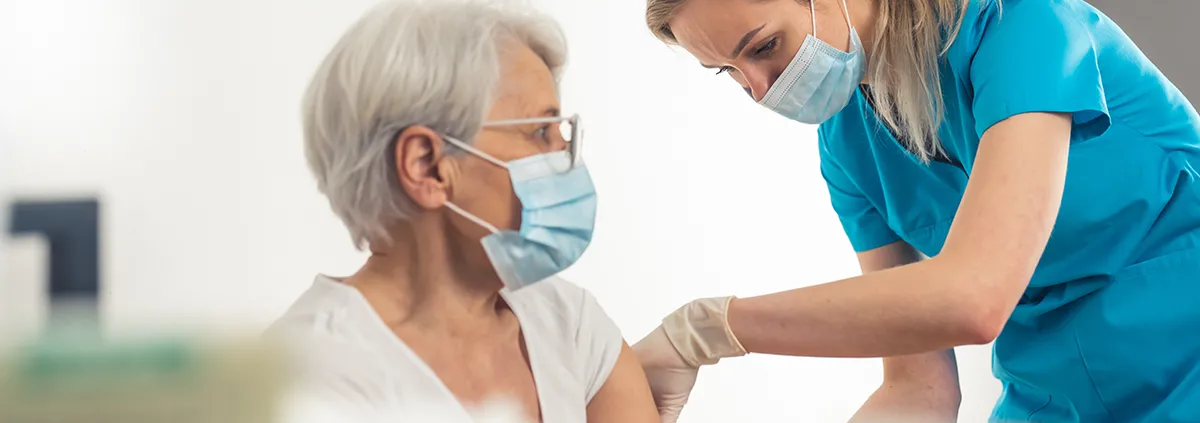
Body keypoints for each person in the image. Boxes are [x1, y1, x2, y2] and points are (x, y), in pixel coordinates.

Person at [632, 0, 1200, 422]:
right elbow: (917, 387)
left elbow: (974, 297)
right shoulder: (847, 141)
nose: (758, 91)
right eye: (727, 71)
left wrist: (705, 331)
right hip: (1056, 398)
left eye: (762, 48)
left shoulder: (1023, 27)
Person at [266, 1, 658, 422]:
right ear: (427, 166)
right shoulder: (304, 379)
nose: (565, 156)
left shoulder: (568, 324)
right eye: (540, 131)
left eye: (562, 131)